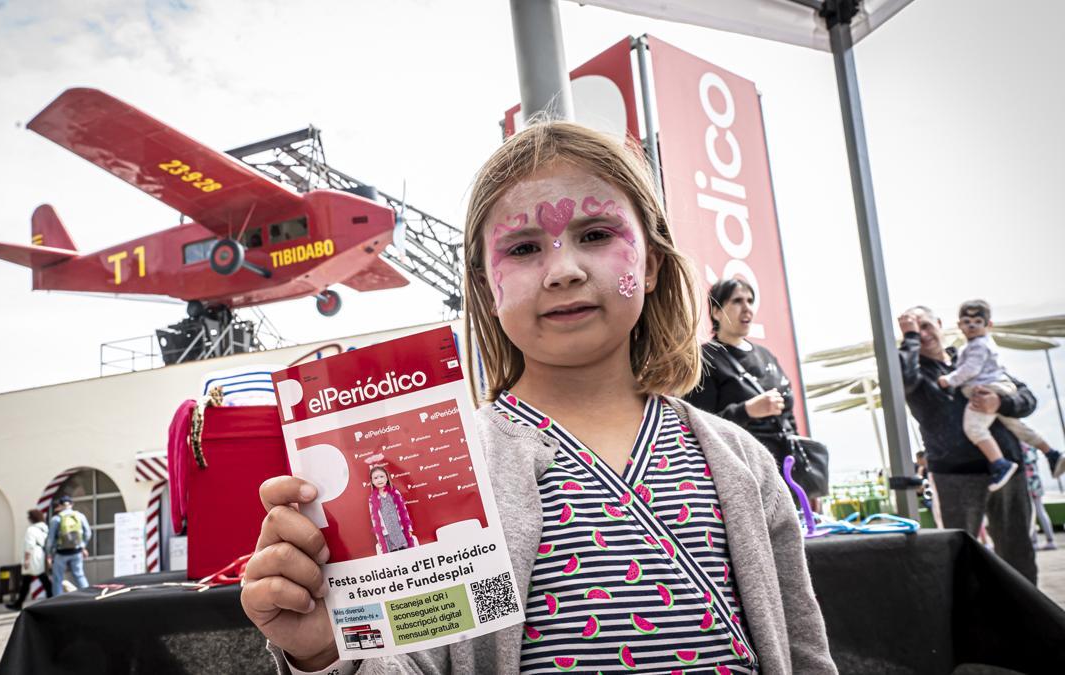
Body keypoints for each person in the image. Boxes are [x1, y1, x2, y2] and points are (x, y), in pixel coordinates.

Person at [242, 121, 835, 674]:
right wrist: (329, 653)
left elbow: (806, 652)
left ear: (650, 263)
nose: (563, 270)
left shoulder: (741, 462)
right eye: (523, 248)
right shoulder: (444, 471)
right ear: (485, 287)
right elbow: (412, 662)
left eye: (596, 235)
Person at [898, 306, 1038, 582]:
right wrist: (910, 338)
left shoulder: (971, 356)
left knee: (1018, 554)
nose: (923, 334)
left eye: (926, 326)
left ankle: (1026, 619)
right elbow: (901, 377)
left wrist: (1001, 402)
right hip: (955, 476)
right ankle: (972, 622)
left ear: (940, 324)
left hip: (1008, 469)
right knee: (960, 559)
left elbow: (1026, 397)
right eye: (915, 330)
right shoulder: (916, 373)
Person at [683, 277, 826, 507]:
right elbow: (697, 425)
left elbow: (788, 419)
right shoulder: (704, 358)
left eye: (750, 300)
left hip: (786, 474)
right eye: (737, 301)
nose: (747, 307)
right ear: (716, 312)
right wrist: (747, 410)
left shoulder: (766, 356)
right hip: (743, 474)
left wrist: (805, 483)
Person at [936, 299, 1063, 491]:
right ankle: (1051, 453)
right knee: (1018, 427)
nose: (971, 325)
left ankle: (1000, 464)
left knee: (974, 428)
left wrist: (1000, 403)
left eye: (977, 321)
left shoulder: (974, 352)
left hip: (1006, 463)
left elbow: (1027, 399)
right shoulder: (968, 352)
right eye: (967, 321)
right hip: (970, 475)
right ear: (959, 325)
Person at [6, 508, 53, 610]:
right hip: (41, 555)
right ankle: (18, 603)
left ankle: (51, 600)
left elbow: (29, 545)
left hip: (33, 556)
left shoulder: (31, 530)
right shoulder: (45, 528)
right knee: (29, 581)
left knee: (40, 579)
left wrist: (27, 560)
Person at [46, 494, 91, 595]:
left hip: (61, 553)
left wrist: (49, 554)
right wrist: (83, 546)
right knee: (79, 575)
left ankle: (57, 601)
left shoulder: (56, 519)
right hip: (77, 552)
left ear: (60, 506)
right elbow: (88, 533)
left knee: (58, 578)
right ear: (72, 504)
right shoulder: (80, 516)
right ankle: (89, 596)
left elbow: (50, 540)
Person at [367, 466, 415, 554]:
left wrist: (408, 528)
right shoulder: (372, 499)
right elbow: (375, 520)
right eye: (376, 478)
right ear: (372, 482)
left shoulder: (395, 493)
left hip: (400, 531)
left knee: (407, 554)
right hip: (387, 535)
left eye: (382, 476)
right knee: (394, 556)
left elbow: (404, 511)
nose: (379, 480)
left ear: (387, 478)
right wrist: (379, 538)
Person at [1024, 443, 1057, 551]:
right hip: (1036, 480)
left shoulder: (1017, 446)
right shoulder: (1031, 445)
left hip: (1026, 482)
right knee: (1041, 511)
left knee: (1030, 512)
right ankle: (1051, 540)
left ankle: (1034, 542)